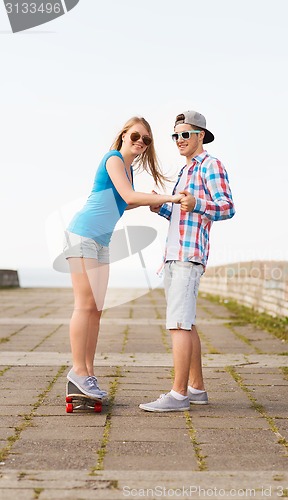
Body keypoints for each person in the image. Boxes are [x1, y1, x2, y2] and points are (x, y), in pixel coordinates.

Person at [63, 116, 183, 399]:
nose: (140, 142)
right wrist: (170, 198)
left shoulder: (127, 170)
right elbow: (128, 195)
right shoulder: (114, 159)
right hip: (82, 235)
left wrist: (151, 199)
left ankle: (87, 375)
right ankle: (78, 371)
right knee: (85, 305)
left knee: (97, 309)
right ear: (123, 136)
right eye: (135, 136)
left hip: (101, 241)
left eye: (146, 140)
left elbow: (124, 201)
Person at [139, 110, 235, 412]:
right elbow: (182, 214)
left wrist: (197, 203)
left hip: (188, 255)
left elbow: (227, 207)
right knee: (186, 323)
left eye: (185, 134)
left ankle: (178, 395)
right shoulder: (185, 170)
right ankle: (196, 389)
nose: (179, 140)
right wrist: (161, 207)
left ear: (201, 136)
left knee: (178, 324)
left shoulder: (211, 165)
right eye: (175, 135)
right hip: (172, 255)